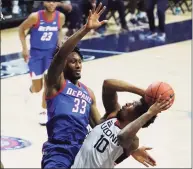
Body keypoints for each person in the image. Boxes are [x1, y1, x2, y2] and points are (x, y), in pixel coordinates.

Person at [41, 3, 107, 168]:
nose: (77, 65)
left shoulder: (88, 93)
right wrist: (85, 29)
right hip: (59, 151)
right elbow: (61, 53)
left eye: (79, 61)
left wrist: (127, 146)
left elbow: (99, 128)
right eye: (72, 62)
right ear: (63, 65)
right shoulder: (55, 83)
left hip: (83, 151)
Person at [72, 79, 172, 168]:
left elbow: (122, 137)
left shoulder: (133, 141)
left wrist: (150, 113)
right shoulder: (113, 115)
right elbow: (108, 84)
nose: (127, 103)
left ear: (138, 116)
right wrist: (144, 93)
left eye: (133, 105)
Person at [18, 1, 65, 125]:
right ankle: (31, 89)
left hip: (51, 55)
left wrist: (60, 44)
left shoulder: (60, 17)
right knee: (37, 88)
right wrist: (24, 48)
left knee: (49, 83)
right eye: (49, 1)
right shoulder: (35, 17)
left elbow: (59, 30)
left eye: (54, 1)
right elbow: (21, 29)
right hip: (36, 55)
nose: (51, 4)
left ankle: (44, 111)